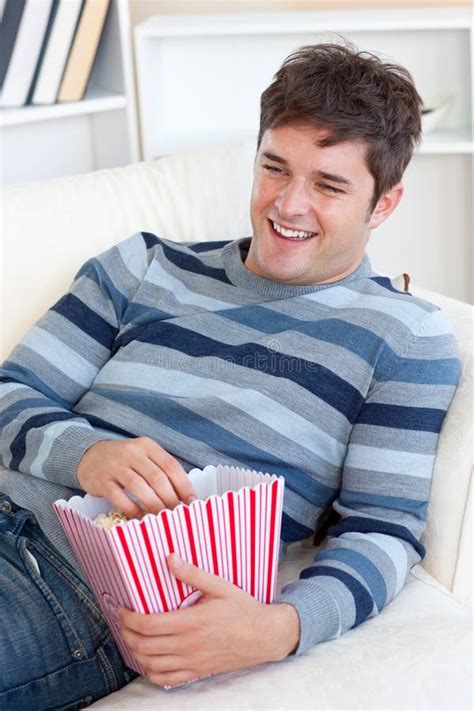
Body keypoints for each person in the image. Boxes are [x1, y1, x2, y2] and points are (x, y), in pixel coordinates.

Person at [0, 42, 460, 709]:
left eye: (329, 185)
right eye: (274, 168)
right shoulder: (143, 266)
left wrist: (282, 627)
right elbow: (11, 393)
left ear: (384, 203)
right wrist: (89, 454)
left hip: (71, 589)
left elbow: (384, 527)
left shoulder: (403, 339)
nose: (289, 205)